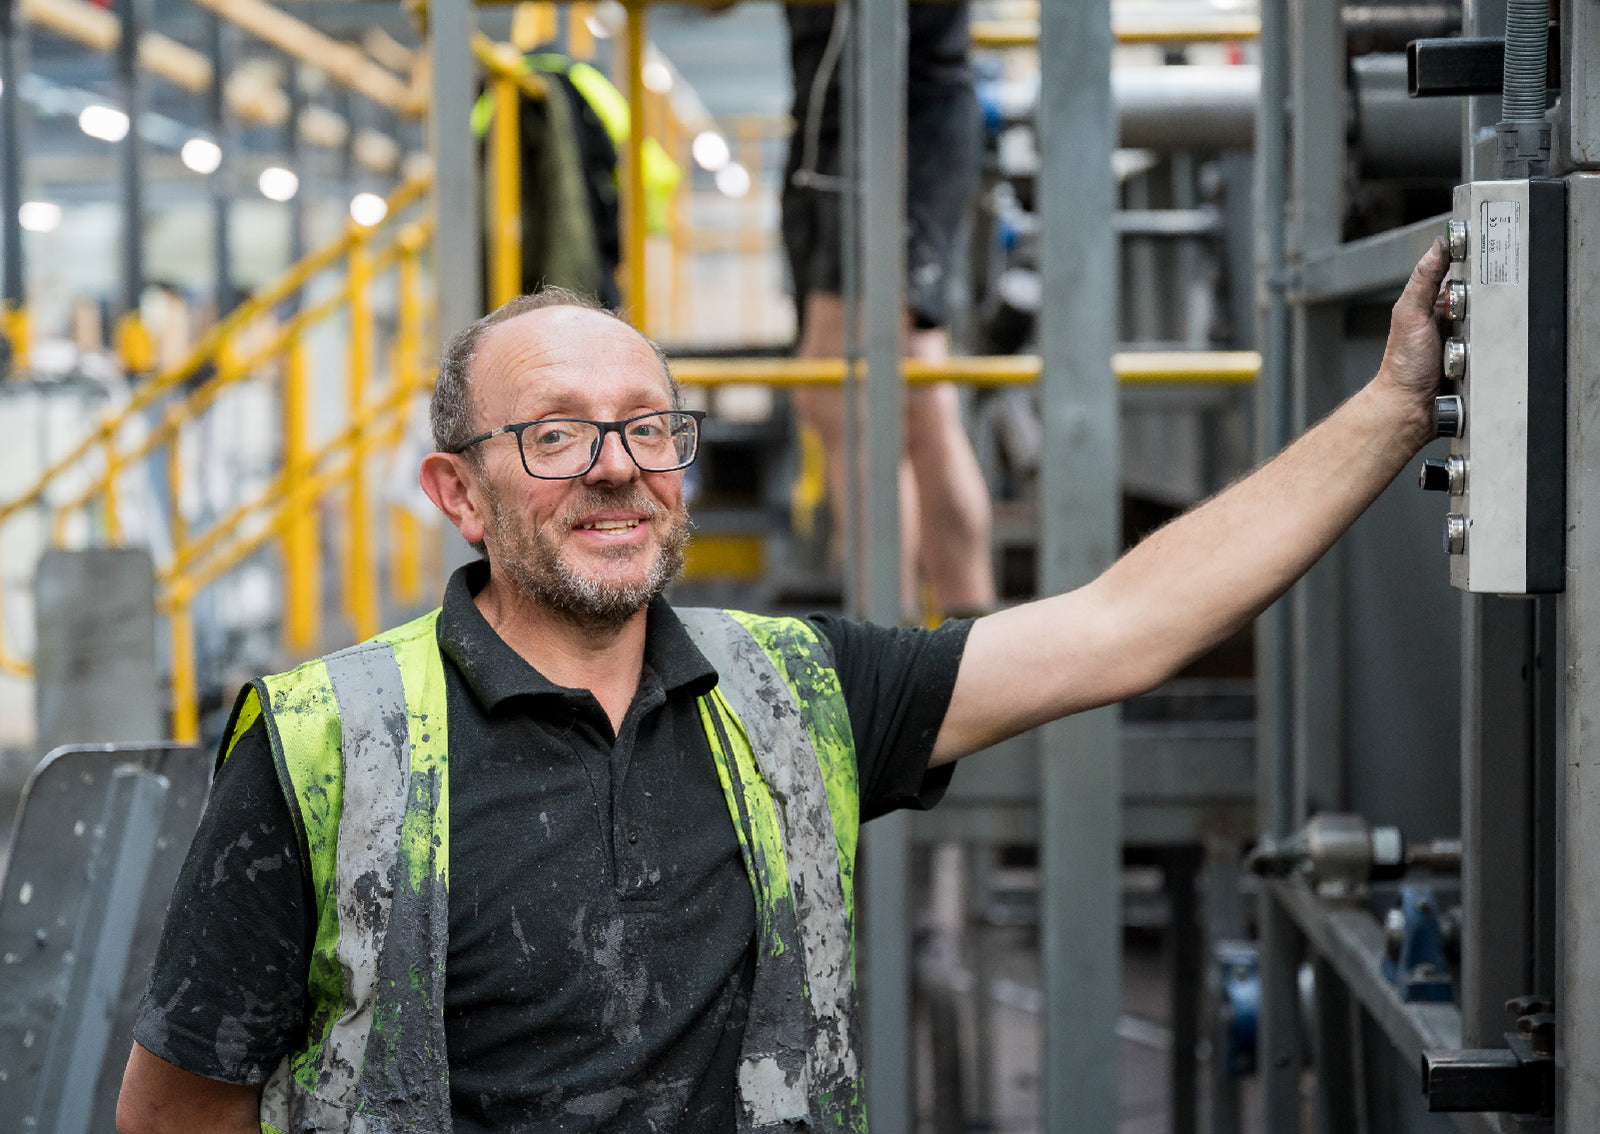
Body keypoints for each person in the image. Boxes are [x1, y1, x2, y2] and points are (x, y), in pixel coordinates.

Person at [116, 240, 1453, 1133]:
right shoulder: (324, 745)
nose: (615, 463)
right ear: (456, 491)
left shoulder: (795, 693)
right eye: (554, 432)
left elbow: (1124, 624)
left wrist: (1394, 406)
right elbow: (177, 1109)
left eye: (649, 424)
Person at [781, 1, 996, 615]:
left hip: (899, 112)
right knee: (918, 402)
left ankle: (890, 656)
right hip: (831, 122)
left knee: (844, 399)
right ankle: (966, 642)